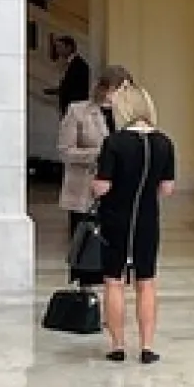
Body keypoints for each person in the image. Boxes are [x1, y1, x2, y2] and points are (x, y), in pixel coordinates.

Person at [91, 86, 175, 363]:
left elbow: (103, 186)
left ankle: (117, 345)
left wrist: (95, 183)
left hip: (116, 217)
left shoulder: (114, 143)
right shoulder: (164, 142)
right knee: (146, 281)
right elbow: (167, 188)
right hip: (147, 218)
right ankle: (147, 346)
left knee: (114, 281)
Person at [56, 69, 131, 286]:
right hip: (85, 189)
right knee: (88, 246)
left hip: (118, 189)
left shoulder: (128, 116)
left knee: (115, 248)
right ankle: (85, 289)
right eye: (118, 88)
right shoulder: (78, 111)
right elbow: (65, 151)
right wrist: (101, 154)